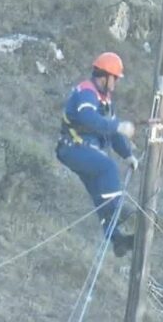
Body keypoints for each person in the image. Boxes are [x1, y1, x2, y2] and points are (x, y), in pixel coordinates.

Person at [56, 52, 140, 257]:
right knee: (107, 167)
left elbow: (112, 132)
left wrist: (127, 155)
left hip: (83, 150)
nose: (116, 83)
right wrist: (117, 126)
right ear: (105, 76)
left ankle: (116, 239)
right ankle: (116, 209)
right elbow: (88, 118)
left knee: (99, 193)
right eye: (115, 78)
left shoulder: (106, 100)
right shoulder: (87, 92)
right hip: (73, 148)